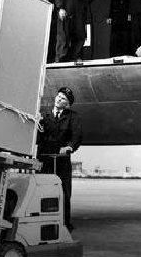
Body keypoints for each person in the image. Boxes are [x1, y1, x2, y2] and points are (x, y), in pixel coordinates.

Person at [37, 87, 82, 231]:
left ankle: (64, 224)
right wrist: (37, 126)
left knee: (64, 192)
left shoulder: (73, 117)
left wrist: (69, 147)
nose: (58, 99)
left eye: (63, 98)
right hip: (45, 160)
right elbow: (39, 138)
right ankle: (43, 222)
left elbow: (77, 136)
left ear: (67, 104)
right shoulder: (45, 116)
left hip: (61, 160)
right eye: (58, 96)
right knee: (42, 190)